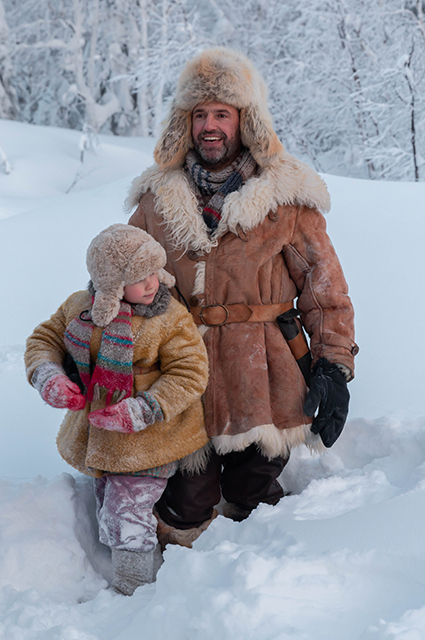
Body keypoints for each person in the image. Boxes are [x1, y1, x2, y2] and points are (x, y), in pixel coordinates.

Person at [126, 48, 358, 546]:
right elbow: (124, 282)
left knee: (256, 490)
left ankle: (264, 592)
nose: (210, 125)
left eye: (222, 114)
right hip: (186, 375)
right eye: (200, 114)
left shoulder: (285, 198)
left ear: (244, 121)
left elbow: (325, 290)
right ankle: (179, 602)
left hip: (268, 377)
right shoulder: (154, 200)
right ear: (185, 123)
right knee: (187, 501)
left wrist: (334, 367)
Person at [24, 223, 209, 595]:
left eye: (153, 271)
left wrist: (142, 409)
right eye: (137, 277)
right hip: (98, 432)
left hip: (151, 437)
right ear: (109, 283)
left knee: (126, 512)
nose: (151, 283)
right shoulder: (80, 307)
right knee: (108, 501)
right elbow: (44, 339)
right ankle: (123, 563)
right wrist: (50, 376)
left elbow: (190, 371)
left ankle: (134, 587)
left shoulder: (169, 317)